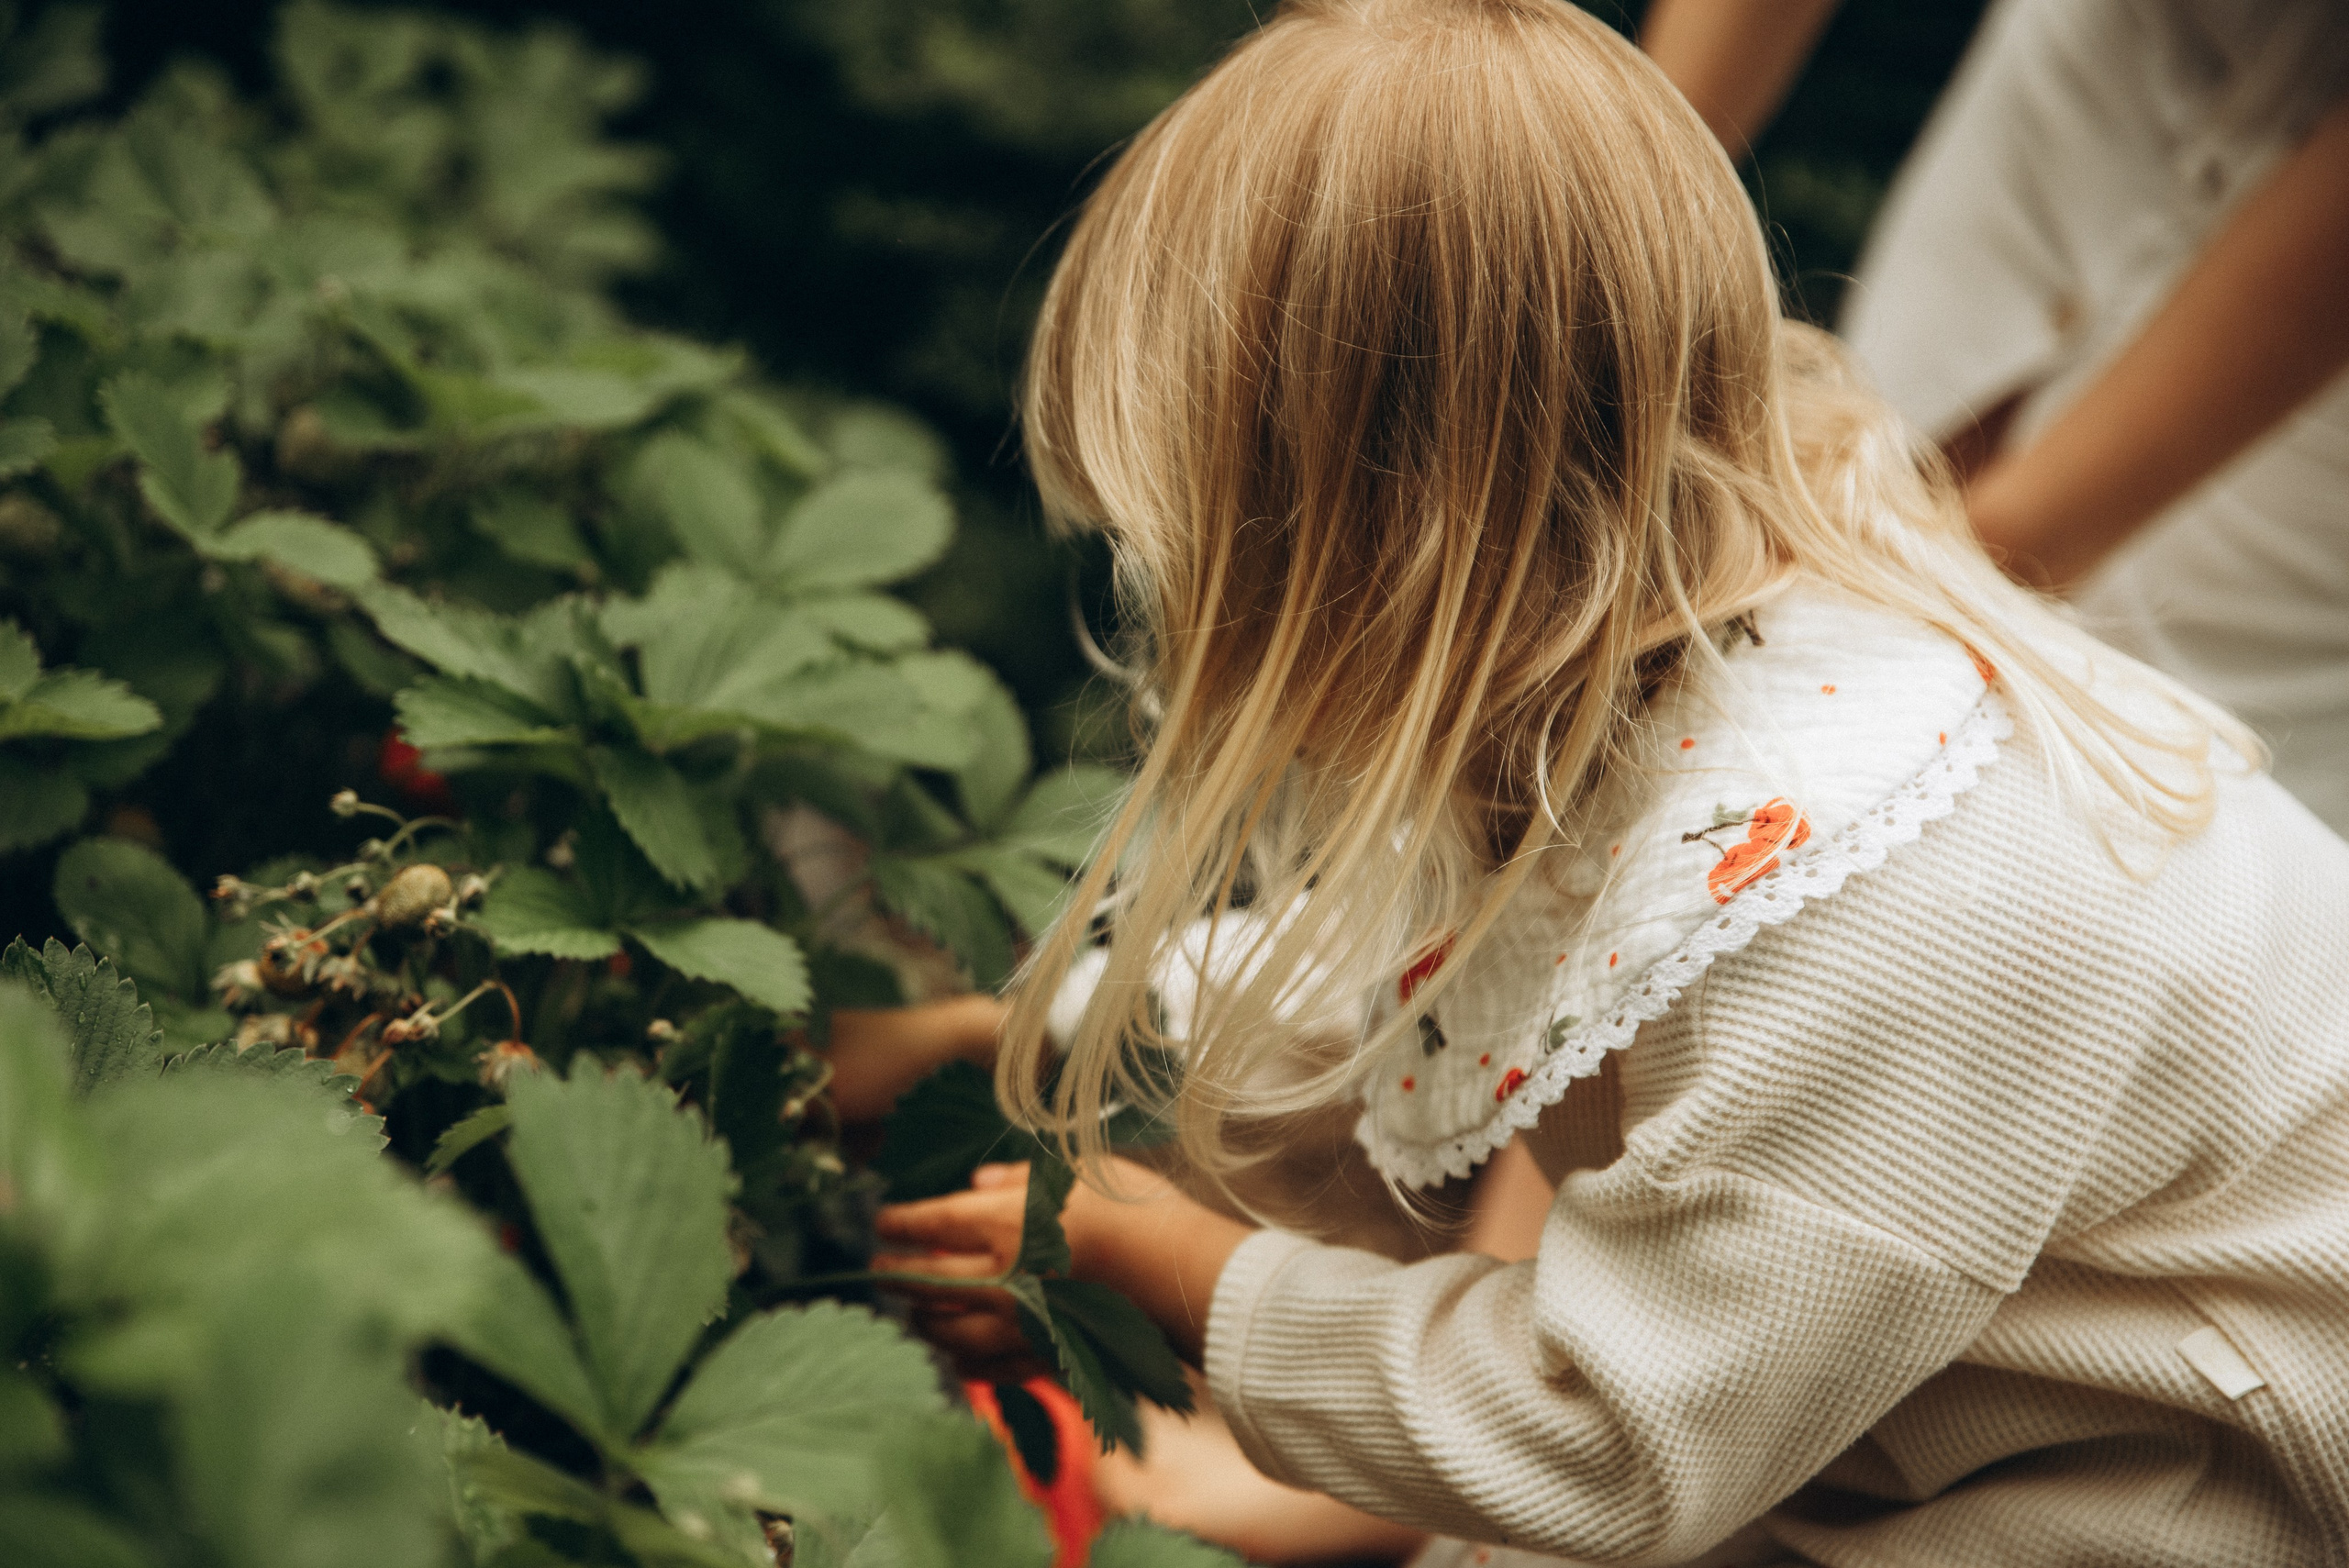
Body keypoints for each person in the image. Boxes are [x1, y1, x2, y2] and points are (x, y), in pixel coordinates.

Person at [852, 3, 2349, 1564]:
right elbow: (1436, 964)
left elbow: (1611, 1444)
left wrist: (1180, 1272)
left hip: (2206, 1454)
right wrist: (1013, 1026)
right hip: (1972, 1364)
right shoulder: (1658, 652)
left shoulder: (1875, 898)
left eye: (1198, 555)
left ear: (1389, 552)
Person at [1645, 0, 2349, 834]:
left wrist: (1936, 583)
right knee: (1880, 453)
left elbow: (1996, 551)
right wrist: (1630, 214)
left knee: (2146, 760)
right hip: (2115, 55)